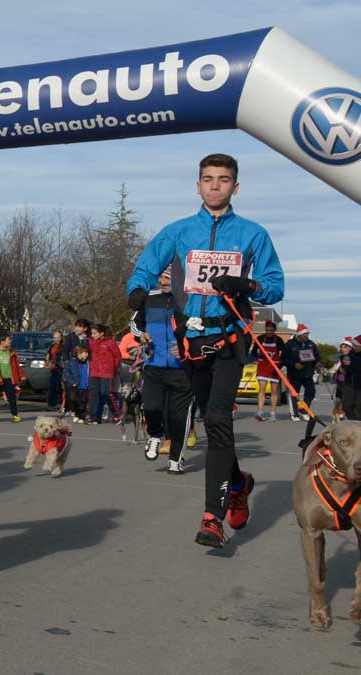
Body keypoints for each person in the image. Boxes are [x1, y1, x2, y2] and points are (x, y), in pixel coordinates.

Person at [127, 152, 284, 548]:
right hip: (191, 342)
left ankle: (212, 517)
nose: (216, 185)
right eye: (208, 179)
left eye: (224, 179)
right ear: (197, 185)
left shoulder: (252, 234)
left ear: (236, 186)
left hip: (229, 339)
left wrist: (249, 287)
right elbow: (146, 266)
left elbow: (274, 283)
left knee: (217, 418)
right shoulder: (178, 232)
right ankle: (238, 482)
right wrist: (137, 291)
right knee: (214, 423)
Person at [130, 268, 194, 474]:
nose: (163, 281)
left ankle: (176, 459)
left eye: (168, 277)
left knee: (179, 417)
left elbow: (201, 329)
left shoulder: (190, 300)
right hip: (154, 364)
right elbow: (134, 324)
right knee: (151, 406)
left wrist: (186, 346)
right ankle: (155, 435)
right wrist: (141, 335)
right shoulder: (149, 298)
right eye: (161, 277)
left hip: (182, 369)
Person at [281, 324, 318, 422]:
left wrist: (318, 362)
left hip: (308, 373)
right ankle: (294, 414)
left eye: (308, 333)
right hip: (294, 374)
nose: (307, 335)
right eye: (305, 334)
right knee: (294, 394)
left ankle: (303, 409)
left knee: (311, 392)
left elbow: (317, 356)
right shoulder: (289, 344)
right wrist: (293, 364)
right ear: (299, 334)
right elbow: (283, 359)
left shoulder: (311, 344)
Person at [250, 320, 285, 422]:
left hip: (274, 366)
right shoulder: (260, 338)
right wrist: (259, 355)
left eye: (271, 330)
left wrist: (279, 367)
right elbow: (253, 353)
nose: (269, 332)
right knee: (262, 389)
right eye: (267, 330)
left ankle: (273, 413)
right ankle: (260, 411)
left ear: (275, 330)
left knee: (274, 391)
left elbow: (284, 354)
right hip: (263, 366)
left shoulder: (278, 340)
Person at [0, 333, 24, 423]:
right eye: (8, 339)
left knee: (12, 398)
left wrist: (21, 375)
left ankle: (15, 415)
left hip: (9, 379)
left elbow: (16, 365)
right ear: (2, 341)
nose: (10, 341)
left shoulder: (11, 351)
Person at [87, 323, 121, 424]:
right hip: (94, 371)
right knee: (94, 394)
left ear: (101, 333)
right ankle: (94, 416)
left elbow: (117, 356)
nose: (92, 335)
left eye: (94, 333)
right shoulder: (90, 342)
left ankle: (116, 414)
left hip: (106, 372)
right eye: (91, 333)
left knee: (105, 393)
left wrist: (114, 367)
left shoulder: (110, 342)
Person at [63, 345, 92, 424]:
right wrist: (72, 382)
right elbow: (66, 373)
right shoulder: (72, 362)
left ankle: (81, 416)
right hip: (75, 386)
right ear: (78, 353)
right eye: (84, 353)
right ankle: (76, 413)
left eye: (87, 353)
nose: (86, 354)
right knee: (74, 401)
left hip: (84, 386)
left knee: (83, 402)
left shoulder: (88, 363)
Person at [46, 330, 64, 410]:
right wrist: (48, 362)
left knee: (59, 387)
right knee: (52, 386)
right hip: (53, 369)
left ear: (61, 338)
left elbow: (63, 358)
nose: (56, 339)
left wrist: (57, 364)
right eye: (55, 338)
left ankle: (63, 403)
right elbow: (48, 355)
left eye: (58, 338)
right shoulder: (52, 346)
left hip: (61, 369)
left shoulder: (64, 346)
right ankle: (51, 404)